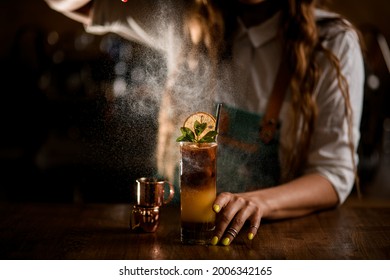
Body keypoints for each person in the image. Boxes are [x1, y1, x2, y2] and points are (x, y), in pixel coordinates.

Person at [45, 0, 364, 246]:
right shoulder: (185, 20)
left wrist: (258, 202)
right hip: (172, 238)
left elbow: (333, 175)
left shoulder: (333, 42)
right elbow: (67, 4)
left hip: (269, 242)